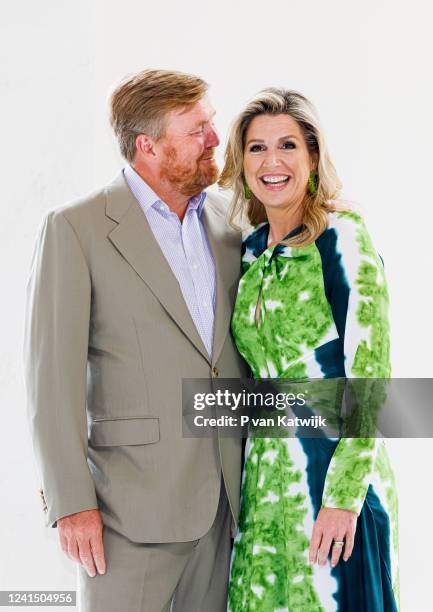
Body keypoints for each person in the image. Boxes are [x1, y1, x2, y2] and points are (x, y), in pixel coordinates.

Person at [24, 68, 246, 612]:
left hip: (224, 505)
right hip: (127, 512)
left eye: (212, 124)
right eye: (197, 130)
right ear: (148, 146)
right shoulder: (75, 229)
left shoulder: (226, 222)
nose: (216, 140)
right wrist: (72, 502)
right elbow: (51, 381)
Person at [219, 89, 399, 611]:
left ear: (313, 157)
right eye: (256, 148)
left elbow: (371, 378)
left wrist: (343, 500)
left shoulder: (343, 237)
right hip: (265, 484)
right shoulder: (250, 251)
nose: (272, 161)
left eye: (288, 145)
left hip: (332, 478)